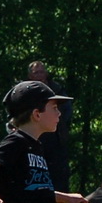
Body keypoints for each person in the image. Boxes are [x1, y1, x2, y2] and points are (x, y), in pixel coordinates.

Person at [28, 61, 73, 192]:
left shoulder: (57, 89)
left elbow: (67, 111)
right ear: (30, 75)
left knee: (59, 174)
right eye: (36, 72)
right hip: (34, 138)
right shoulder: (25, 91)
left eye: (42, 72)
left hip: (56, 138)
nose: (39, 75)